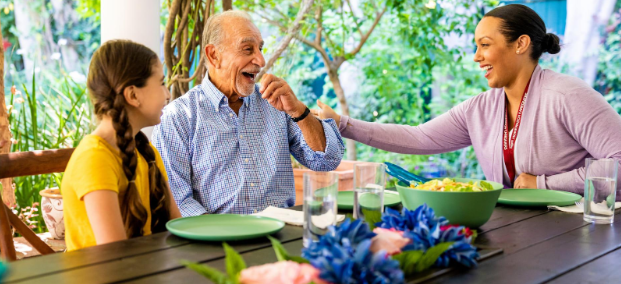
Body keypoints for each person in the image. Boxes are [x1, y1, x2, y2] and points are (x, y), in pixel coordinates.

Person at [313, 4, 621, 195]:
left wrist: (544, 185)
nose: (476, 57)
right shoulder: (482, 107)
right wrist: (342, 124)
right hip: (519, 232)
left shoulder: (568, 95)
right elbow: (419, 138)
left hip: (581, 239)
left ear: (521, 44)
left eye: (485, 45)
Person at [152, 11, 344, 216]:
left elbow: (327, 160)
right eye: (247, 49)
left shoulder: (276, 103)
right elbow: (177, 200)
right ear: (213, 55)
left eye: (260, 49)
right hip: (217, 241)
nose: (261, 60)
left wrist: (298, 110)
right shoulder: (178, 117)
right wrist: (222, 238)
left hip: (281, 234)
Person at [62, 40, 181, 251]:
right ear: (133, 95)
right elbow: (115, 256)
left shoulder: (146, 151)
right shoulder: (95, 159)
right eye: (162, 83)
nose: (168, 94)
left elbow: (178, 227)